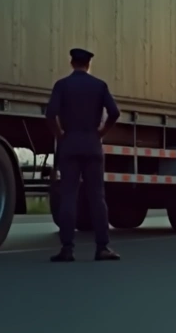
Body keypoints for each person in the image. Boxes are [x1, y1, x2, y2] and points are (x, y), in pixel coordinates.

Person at [46, 48, 122, 263]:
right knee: (97, 197)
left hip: (69, 144)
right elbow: (115, 112)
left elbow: (50, 114)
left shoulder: (62, 85)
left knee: (69, 196)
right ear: (88, 65)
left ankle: (67, 248)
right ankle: (102, 247)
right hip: (92, 145)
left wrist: (59, 134)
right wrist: (102, 132)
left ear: (72, 63)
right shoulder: (99, 86)